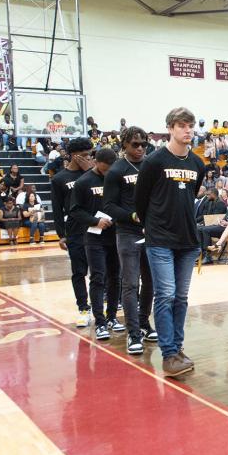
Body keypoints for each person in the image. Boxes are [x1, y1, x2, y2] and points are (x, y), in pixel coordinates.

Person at [134, 107, 206, 378]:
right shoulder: (154, 161)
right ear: (171, 128)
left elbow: (190, 197)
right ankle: (168, 354)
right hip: (160, 239)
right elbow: (141, 201)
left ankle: (177, 347)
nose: (188, 130)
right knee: (165, 295)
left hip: (188, 240)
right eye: (182, 125)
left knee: (181, 298)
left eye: (191, 125)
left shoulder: (198, 164)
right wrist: (154, 226)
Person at [103, 126, 157, 355]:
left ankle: (144, 323)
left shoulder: (151, 165)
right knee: (130, 283)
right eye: (135, 144)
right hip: (127, 232)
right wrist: (132, 215)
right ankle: (133, 333)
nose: (140, 148)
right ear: (124, 144)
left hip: (152, 231)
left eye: (144, 144)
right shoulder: (116, 170)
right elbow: (108, 206)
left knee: (151, 281)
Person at [69, 147, 123, 342]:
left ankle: (111, 318)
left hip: (114, 235)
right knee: (98, 277)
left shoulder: (115, 178)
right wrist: (94, 221)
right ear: (96, 162)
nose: (109, 171)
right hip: (93, 237)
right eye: (106, 167)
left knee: (115, 277)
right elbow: (75, 211)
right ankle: (99, 322)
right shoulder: (83, 182)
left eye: (111, 168)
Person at [51, 137, 95, 327]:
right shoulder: (60, 178)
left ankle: (103, 309)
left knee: (101, 271)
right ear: (74, 156)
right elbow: (56, 208)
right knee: (79, 271)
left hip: (96, 227)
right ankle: (83, 307)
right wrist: (61, 234)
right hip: (75, 230)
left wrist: (91, 173)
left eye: (91, 154)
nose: (89, 158)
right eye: (85, 155)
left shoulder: (95, 174)